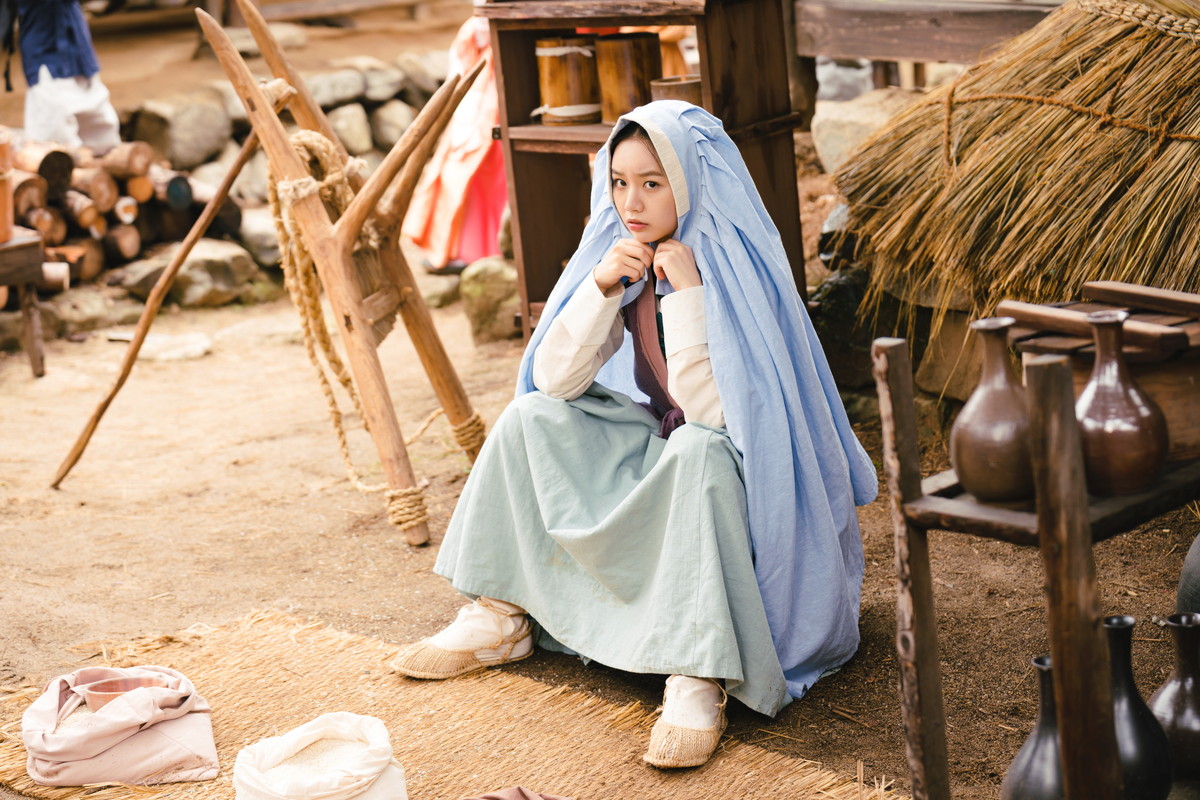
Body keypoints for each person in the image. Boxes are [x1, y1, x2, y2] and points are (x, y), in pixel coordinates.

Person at [390, 101, 878, 769]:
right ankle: (500, 616)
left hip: (736, 477)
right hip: (660, 446)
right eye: (619, 182)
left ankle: (696, 673)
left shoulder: (732, 269)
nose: (632, 201)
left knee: (697, 452)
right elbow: (555, 382)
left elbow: (720, 421)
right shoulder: (616, 254)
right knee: (532, 416)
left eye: (652, 182)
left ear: (690, 180)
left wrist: (686, 297)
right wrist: (597, 288)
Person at [402, 17, 507, 275]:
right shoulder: (472, 33)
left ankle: (490, 249)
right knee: (465, 170)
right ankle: (463, 250)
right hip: (480, 92)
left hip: (499, 88)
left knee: (491, 171)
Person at [2, 0, 122, 153]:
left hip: (77, 46)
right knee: (53, 137)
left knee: (99, 125)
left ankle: (104, 161)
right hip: (46, 50)